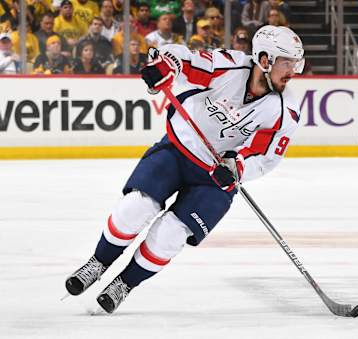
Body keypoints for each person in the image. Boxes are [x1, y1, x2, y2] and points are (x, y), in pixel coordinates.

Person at [64, 24, 304, 314]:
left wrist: (236, 167)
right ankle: (97, 263)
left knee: (171, 235)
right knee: (135, 208)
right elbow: (185, 59)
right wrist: (166, 65)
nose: (293, 71)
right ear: (264, 60)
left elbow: (265, 156)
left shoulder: (285, 109)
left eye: (295, 63)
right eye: (287, 63)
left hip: (216, 179)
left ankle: (125, 284)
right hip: (179, 150)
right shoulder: (229, 67)